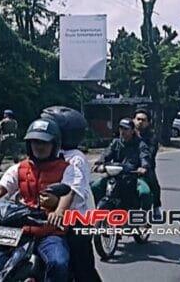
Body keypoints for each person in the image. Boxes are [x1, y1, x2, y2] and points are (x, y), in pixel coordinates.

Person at [0, 119, 72, 282]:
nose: (39, 146)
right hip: (17, 231)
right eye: (35, 142)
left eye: (44, 142)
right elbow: (1, 189)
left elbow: (69, 192)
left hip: (48, 231)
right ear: (29, 144)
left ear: (54, 144)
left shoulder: (65, 169)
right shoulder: (20, 168)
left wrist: (58, 212)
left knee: (58, 262)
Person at [41, 106, 101, 282]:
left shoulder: (74, 158)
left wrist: (59, 210)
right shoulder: (48, 152)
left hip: (76, 220)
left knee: (82, 268)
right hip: (50, 218)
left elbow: (71, 190)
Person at [91, 118, 153, 210]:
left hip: (133, 177)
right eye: (121, 128)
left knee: (145, 192)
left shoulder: (140, 144)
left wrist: (144, 167)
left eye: (125, 129)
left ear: (132, 131)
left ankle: (143, 216)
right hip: (114, 176)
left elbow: (145, 157)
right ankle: (100, 210)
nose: (122, 131)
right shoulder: (115, 142)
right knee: (95, 186)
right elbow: (106, 154)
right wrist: (98, 164)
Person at [133, 109, 162, 219]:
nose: (140, 122)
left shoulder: (152, 138)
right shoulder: (128, 133)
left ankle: (156, 207)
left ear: (148, 122)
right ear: (134, 120)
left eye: (143, 120)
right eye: (138, 119)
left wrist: (144, 166)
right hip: (128, 166)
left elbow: (150, 154)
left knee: (154, 185)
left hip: (145, 167)